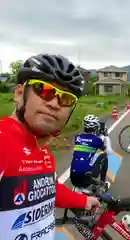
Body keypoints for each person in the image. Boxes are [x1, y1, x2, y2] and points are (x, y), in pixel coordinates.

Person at [0, 53, 100, 240]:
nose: (54, 104)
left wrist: (83, 200)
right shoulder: (3, 141)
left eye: (66, 99)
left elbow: (47, 189)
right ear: (19, 93)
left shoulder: (42, 149)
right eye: (44, 90)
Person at [70, 114, 112, 191]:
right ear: (95, 128)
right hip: (86, 179)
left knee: (88, 156)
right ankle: (102, 185)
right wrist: (106, 137)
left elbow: (87, 142)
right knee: (104, 157)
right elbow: (109, 152)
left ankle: (79, 187)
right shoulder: (96, 140)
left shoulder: (77, 137)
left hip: (73, 178)